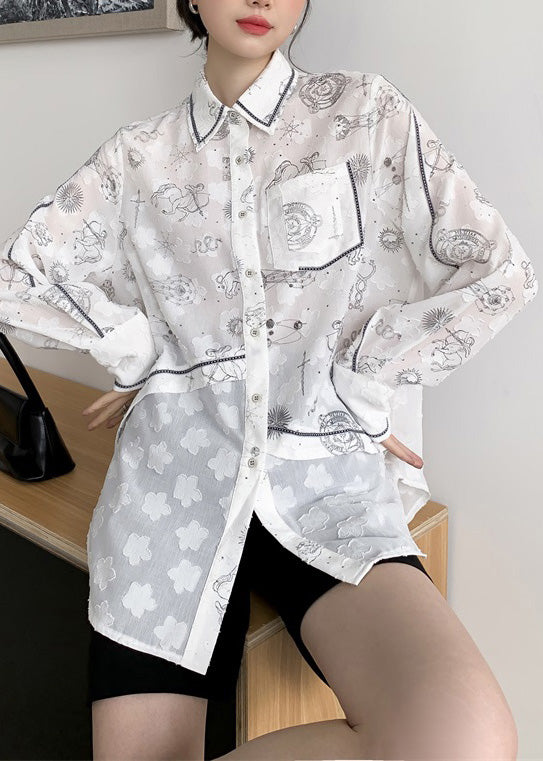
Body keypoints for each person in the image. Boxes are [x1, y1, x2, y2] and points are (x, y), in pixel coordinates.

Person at [0, 1, 534, 759]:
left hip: (326, 485)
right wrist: (145, 351)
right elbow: (20, 278)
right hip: (168, 495)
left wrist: (366, 378)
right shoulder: (136, 159)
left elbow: (497, 271)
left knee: (460, 738)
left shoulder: (364, 115)